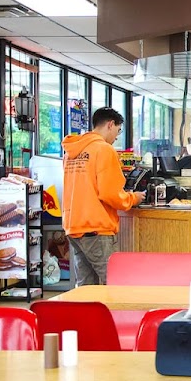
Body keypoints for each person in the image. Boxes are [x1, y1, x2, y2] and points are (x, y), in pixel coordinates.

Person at [62, 106, 145, 285]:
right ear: (110, 124)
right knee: (115, 282)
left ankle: (87, 314)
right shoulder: (104, 150)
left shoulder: (71, 153)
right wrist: (133, 198)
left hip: (74, 226)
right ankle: (118, 314)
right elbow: (110, 194)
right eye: (118, 130)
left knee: (85, 286)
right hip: (96, 227)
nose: (116, 136)